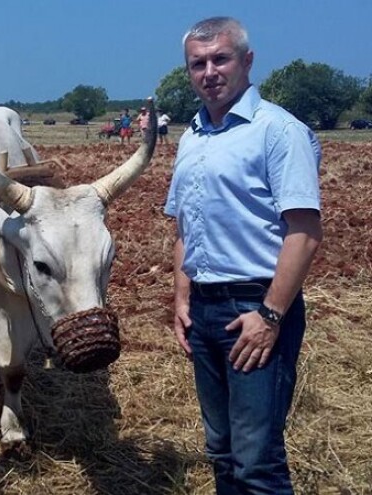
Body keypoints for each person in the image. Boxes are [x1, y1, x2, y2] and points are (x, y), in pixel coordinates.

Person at [165, 17, 322, 494]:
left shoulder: (278, 131)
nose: (209, 71)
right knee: (222, 450)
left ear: (247, 61)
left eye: (220, 59)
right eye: (198, 63)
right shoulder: (192, 137)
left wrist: (270, 315)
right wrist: (181, 299)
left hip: (254, 308)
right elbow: (184, 228)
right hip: (205, 312)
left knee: (257, 459)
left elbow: (305, 232)